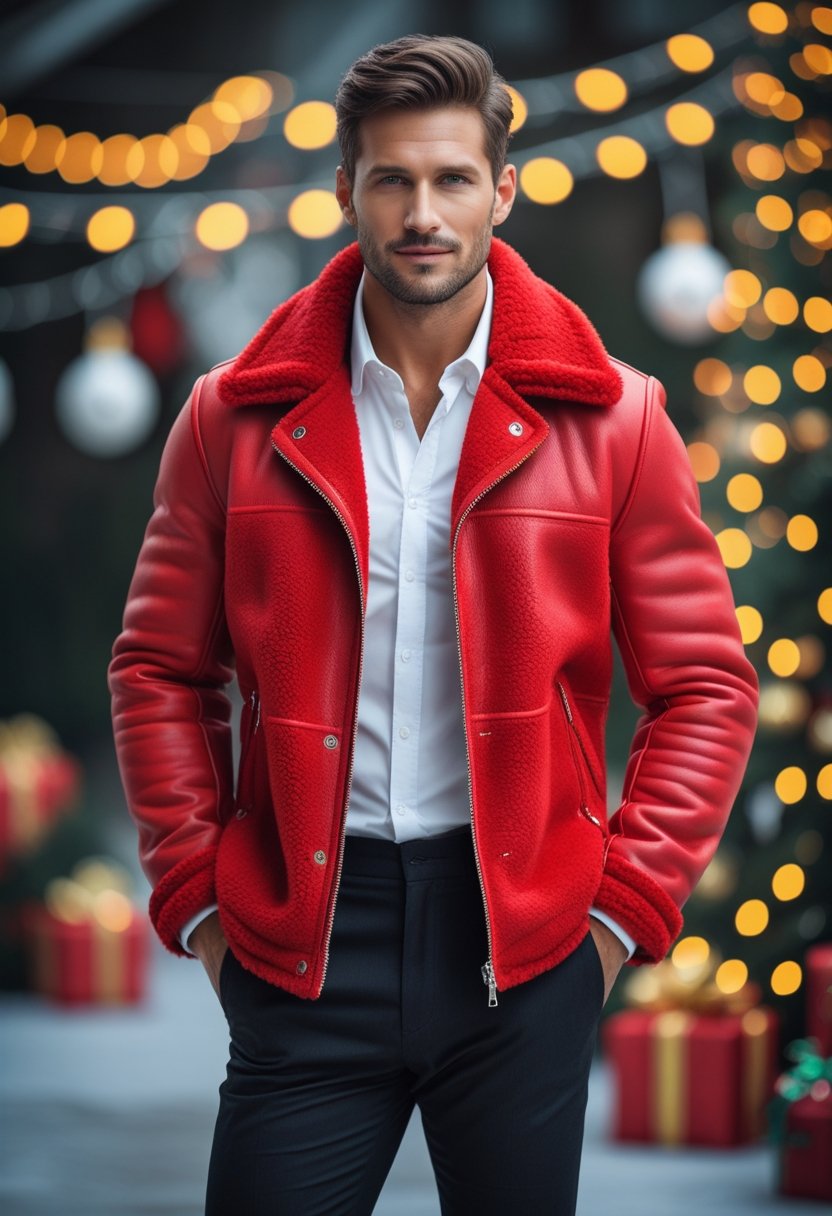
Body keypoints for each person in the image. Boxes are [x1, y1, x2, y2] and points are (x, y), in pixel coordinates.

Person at [108, 33, 759, 1216]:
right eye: (392, 179)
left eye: (453, 178)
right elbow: (158, 670)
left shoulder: (618, 420)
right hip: (304, 943)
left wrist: (617, 917)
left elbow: (706, 686)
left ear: (501, 190)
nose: (423, 213)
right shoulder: (229, 419)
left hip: (525, 945)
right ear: (345, 188)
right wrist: (201, 904)